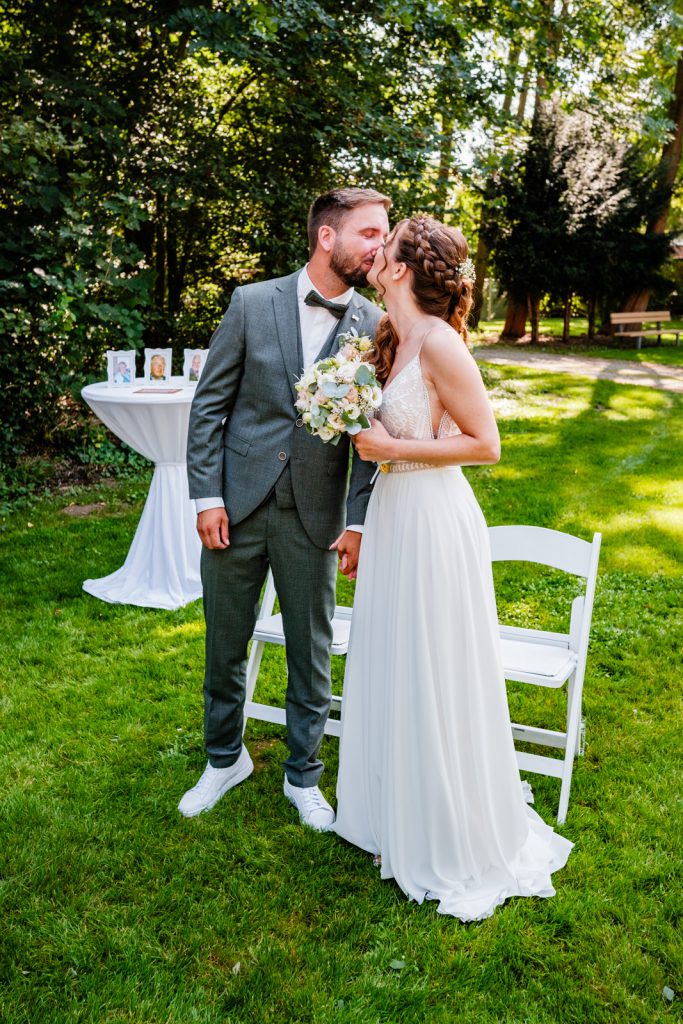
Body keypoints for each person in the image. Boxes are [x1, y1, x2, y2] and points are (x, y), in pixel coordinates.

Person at [334, 215, 572, 921]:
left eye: (386, 247)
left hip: (435, 518)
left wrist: (387, 452)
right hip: (396, 513)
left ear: (403, 268)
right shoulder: (391, 334)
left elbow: (485, 444)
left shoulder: (439, 343)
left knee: (431, 662)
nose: (373, 254)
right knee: (392, 657)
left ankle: (442, 825)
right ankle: (387, 814)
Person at [180, 187, 392, 828]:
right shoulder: (250, 303)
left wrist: (356, 520)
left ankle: (305, 776)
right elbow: (209, 407)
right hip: (236, 508)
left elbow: (371, 437)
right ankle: (223, 758)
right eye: (370, 234)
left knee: (312, 649)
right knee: (224, 641)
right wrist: (207, 498)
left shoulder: (375, 324)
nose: (380, 246)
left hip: (317, 515)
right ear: (328, 237)